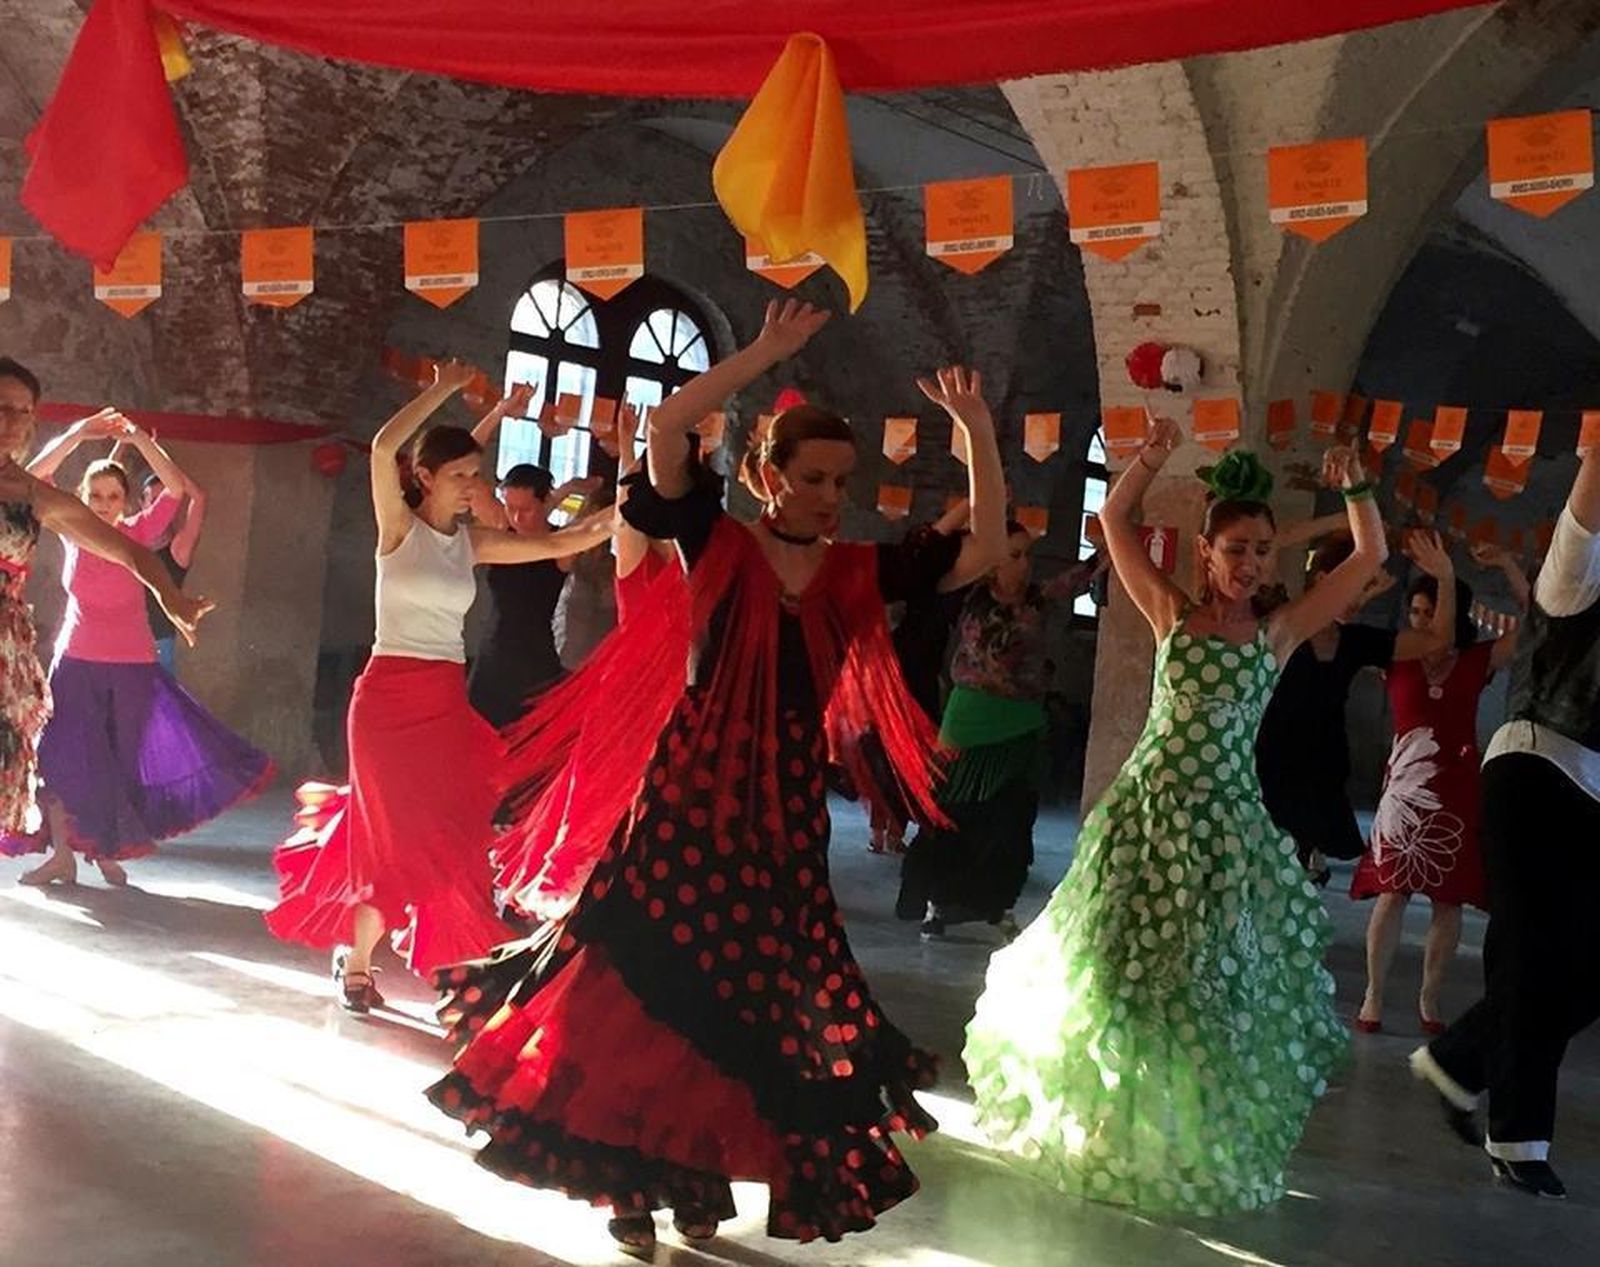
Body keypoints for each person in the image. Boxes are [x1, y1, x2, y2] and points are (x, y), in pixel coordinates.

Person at [425, 300, 1007, 1253]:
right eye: (812, 478)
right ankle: (631, 1186)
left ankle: (690, 1172)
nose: (829, 494)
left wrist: (978, 433)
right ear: (770, 475)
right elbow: (661, 432)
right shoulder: (720, 540)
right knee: (639, 979)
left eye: (840, 481)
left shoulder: (858, 570)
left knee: (747, 1000)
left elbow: (979, 548)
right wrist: (765, 351)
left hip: (781, 814)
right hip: (688, 796)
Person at [964, 426, 1386, 1215]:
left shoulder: (1278, 631)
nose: (1252, 562)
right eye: (1237, 548)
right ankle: (1104, 1122)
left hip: (1223, 831)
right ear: (1207, 551)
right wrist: (1151, 455)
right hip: (1146, 816)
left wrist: (1357, 488)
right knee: (1117, 974)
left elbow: (1366, 560)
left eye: (1263, 549)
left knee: (1202, 987)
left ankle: (1182, 1132)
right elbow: (1115, 525)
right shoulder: (1171, 613)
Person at [264, 361, 612, 1011]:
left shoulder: (471, 543)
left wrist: (628, 505)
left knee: (447, 829)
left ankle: (423, 952)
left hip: (446, 701)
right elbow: (383, 447)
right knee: (390, 837)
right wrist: (445, 390)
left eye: (475, 475)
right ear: (425, 478)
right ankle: (359, 960)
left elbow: (568, 539)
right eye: (460, 475)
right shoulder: (398, 529)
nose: (471, 487)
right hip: (387, 700)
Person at [1411, 441, 1600, 1199]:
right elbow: (1585, 512)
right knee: (1528, 956)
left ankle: (1462, 1056)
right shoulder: (1577, 577)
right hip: (1532, 767)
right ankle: (1518, 1138)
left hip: (1589, 792)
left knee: (1583, 964)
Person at [1, 410, 260, 886]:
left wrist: (138, 437)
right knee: (58, 758)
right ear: (82, 497)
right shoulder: (72, 529)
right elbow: (33, 477)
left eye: (113, 496)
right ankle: (61, 855)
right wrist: (79, 433)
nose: (103, 504)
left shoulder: (138, 534)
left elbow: (178, 490)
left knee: (117, 764)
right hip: (75, 659)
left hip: (132, 665)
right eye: (95, 495)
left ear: (125, 503)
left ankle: (105, 851)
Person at [897, 521, 1107, 938]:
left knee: (1009, 820)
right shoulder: (968, 598)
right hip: (971, 721)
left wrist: (1110, 544)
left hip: (1020, 722)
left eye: (1027, 554)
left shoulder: (1037, 600)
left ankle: (996, 904)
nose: (1025, 564)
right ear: (991, 563)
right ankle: (937, 903)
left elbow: (1079, 577)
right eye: (1014, 555)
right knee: (953, 816)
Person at [1350, 551, 1523, 1035]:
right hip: (1403, 793)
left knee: (1450, 901)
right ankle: (1374, 994)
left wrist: (1510, 572)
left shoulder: (1477, 660)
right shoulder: (1395, 658)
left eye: (1431, 611)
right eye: (1417, 613)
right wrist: (1364, 594)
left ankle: (1430, 998)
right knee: (1392, 893)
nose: (1422, 621)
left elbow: (1536, 627)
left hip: (1458, 789)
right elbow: (1339, 628)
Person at [1255, 529, 1457, 885]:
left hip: (1321, 774)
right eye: (1360, 587)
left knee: (1296, 884)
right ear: (1323, 580)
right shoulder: (1280, 625)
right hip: (1268, 771)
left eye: (1369, 589)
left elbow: (1437, 640)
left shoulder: (1353, 641)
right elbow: (1270, 545)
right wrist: (1342, 519)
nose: (1363, 599)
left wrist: (1445, 577)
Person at [864, 498, 974, 856]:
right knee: (885, 759)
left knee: (906, 762)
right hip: (893, 682)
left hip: (919, 682)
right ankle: (882, 828)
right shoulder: (910, 582)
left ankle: (892, 828)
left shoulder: (946, 590)